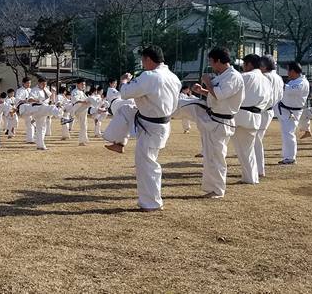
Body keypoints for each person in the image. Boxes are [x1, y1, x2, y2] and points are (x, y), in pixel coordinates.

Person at [101, 45, 181, 211]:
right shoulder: (173, 77)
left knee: (147, 164)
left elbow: (126, 92)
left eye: (143, 61)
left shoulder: (150, 76)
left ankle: (152, 202)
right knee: (126, 109)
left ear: (148, 59)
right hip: (158, 121)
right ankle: (119, 142)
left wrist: (124, 81)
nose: (142, 64)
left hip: (153, 126)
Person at [191, 48, 244, 198]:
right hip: (214, 117)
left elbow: (220, 95)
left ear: (218, 61)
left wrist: (207, 82)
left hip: (223, 120)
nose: (210, 65)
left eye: (211, 61)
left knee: (217, 156)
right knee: (210, 156)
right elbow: (216, 94)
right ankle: (211, 188)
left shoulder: (234, 77)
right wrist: (202, 90)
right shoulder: (223, 76)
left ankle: (218, 189)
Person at [233, 54, 270, 184]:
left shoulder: (245, 77)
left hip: (242, 115)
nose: (243, 67)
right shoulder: (266, 80)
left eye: (244, 64)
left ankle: (250, 178)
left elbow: (231, 91)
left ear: (248, 64)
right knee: (248, 148)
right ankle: (252, 177)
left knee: (243, 150)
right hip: (257, 114)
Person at [275, 63, 310, 165]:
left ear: (293, 71)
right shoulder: (294, 81)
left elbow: (289, 90)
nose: (287, 73)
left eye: (288, 71)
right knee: (286, 133)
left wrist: (277, 83)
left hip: (292, 112)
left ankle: (290, 157)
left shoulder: (302, 83)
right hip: (284, 108)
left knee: (289, 133)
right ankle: (287, 155)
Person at [257, 56, 283, 177]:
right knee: (256, 140)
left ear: (264, 66)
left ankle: (258, 169)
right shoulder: (278, 78)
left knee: (255, 141)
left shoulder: (265, 77)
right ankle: (257, 169)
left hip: (262, 110)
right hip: (269, 110)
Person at [27, 78, 60, 151]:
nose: (44, 85)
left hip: (43, 109)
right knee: (52, 108)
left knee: (41, 128)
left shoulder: (46, 89)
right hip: (37, 108)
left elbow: (51, 97)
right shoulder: (34, 90)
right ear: (39, 83)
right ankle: (61, 118)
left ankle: (40, 145)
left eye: (45, 84)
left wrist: (53, 93)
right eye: (43, 84)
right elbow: (29, 99)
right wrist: (37, 100)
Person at [15, 77, 36, 144]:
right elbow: (17, 100)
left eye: (30, 83)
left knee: (32, 123)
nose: (29, 84)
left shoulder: (31, 90)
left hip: (31, 107)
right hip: (24, 108)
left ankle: (31, 138)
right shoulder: (20, 90)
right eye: (27, 83)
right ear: (23, 83)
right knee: (29, 123)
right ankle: (30, 139)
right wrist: (26, 100)